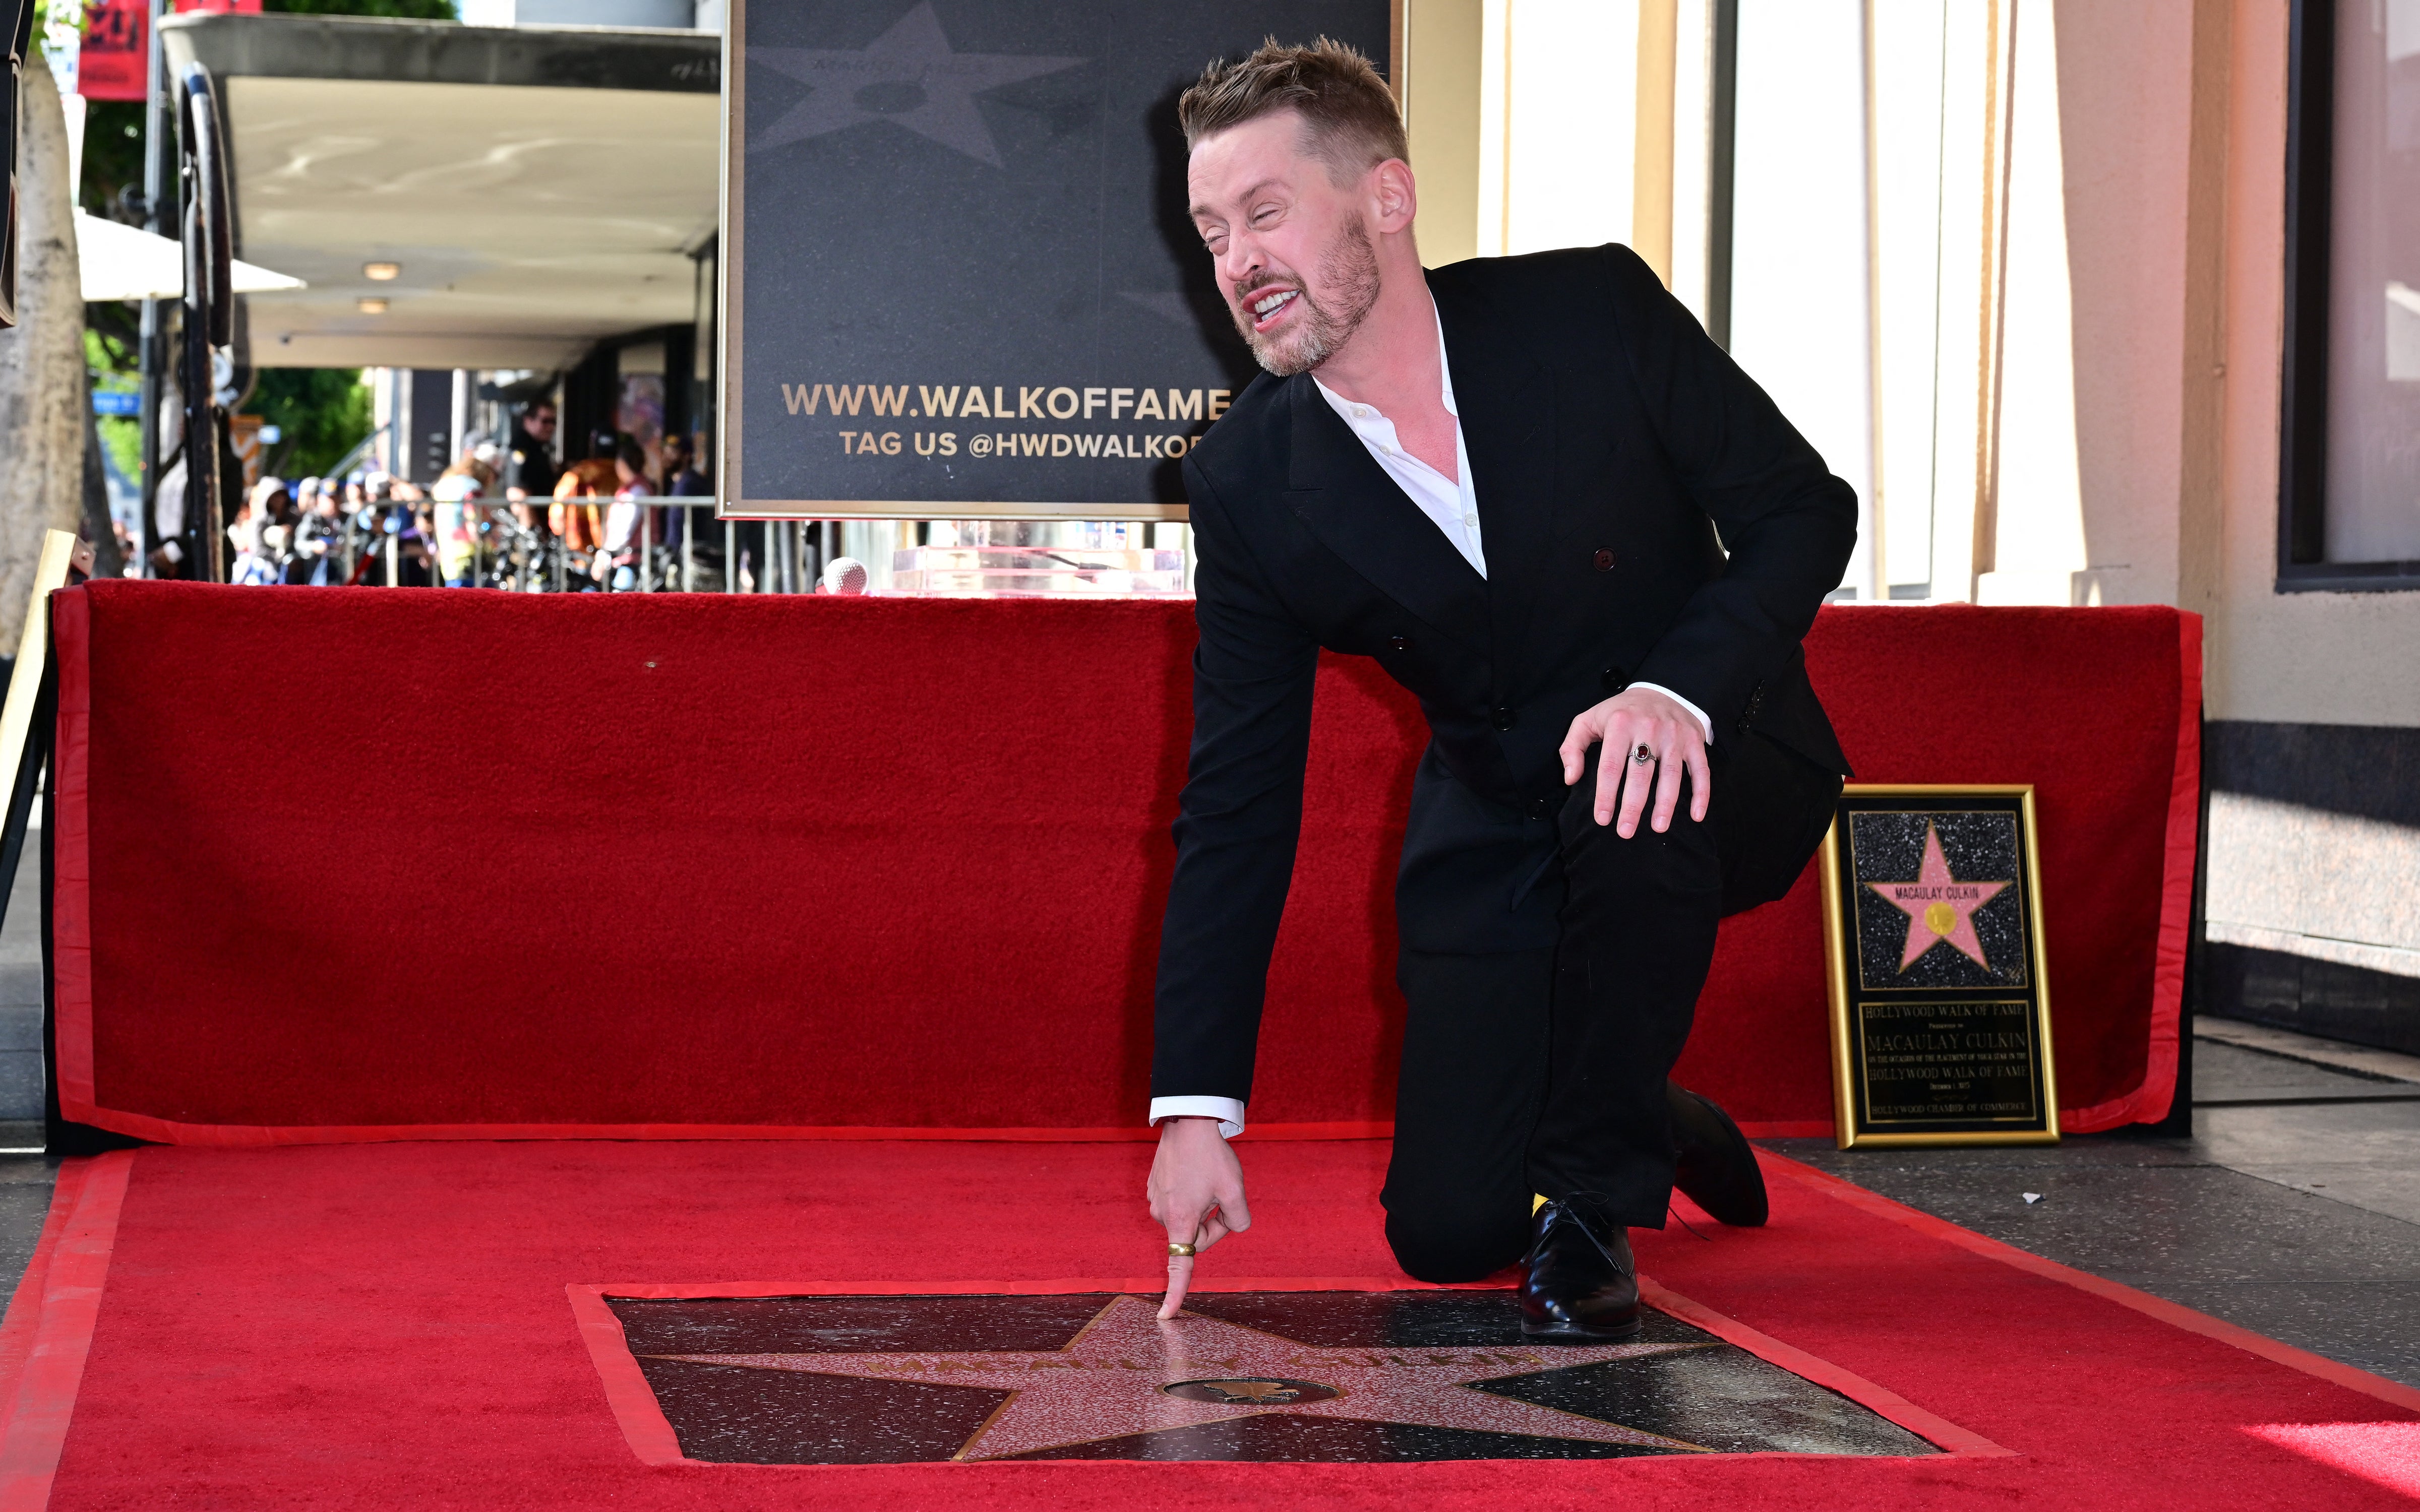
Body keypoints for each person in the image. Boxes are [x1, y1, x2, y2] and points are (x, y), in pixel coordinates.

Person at [1145, 41, 1855, 1343]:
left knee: (1630, 784)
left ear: (1387, 200)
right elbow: (1236, 800)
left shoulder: (1593, 317)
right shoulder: (1249, 483)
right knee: (1447, 1232)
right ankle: (1641, 1094)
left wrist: (1678, 689)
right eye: (1208, 232)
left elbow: (1805, 511)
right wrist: (1198, 1111)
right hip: (1503, 810)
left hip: (1721, 754)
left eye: (1262, 212)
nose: (1234, 261)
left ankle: (1597, 1189)